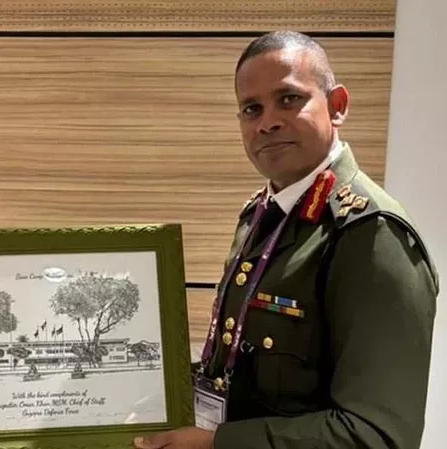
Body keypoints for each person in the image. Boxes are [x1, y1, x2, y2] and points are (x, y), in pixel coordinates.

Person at [134, 31, 438, 449]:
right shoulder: (263, 213)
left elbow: (377, 436)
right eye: (251, 108)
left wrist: (216, 444)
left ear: (337, 106)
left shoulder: (371, 235)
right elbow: (242, 369)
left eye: (289, 99)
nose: (267, 121)